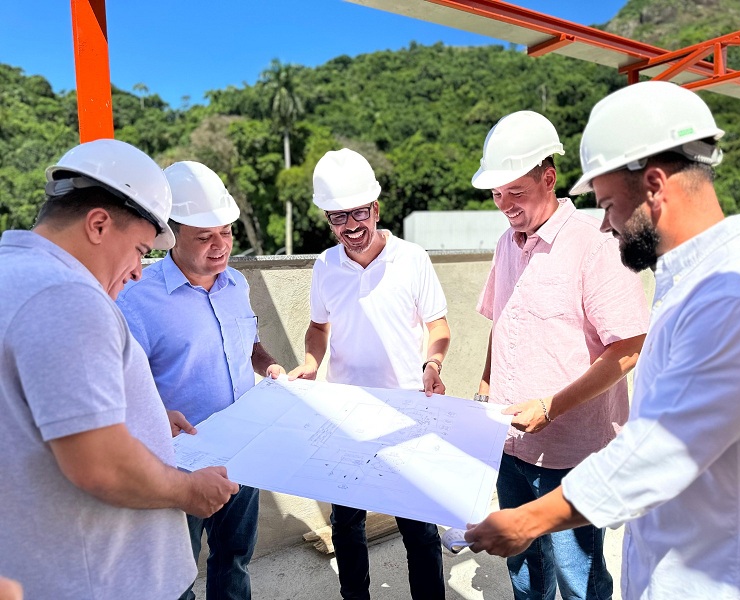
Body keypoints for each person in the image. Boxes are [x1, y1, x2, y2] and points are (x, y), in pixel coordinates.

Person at [465, 81, 740, 599]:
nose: (605, 223)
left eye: (607, 204)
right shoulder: (695, 283)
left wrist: (526, 521)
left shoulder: (736, 299)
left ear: (654, 184)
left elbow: (656, 454)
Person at [0, 139, 238, 599]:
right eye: (139, 250)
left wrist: (143, 418)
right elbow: (100, 464)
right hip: (111, 583)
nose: (138, 272)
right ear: (99, 224)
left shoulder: (16, 273)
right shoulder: (65, 295)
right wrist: (190, 491)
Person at [470, 111, 649, 600]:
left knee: (579, 579)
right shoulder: (507, 243)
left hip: (573, 456)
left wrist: (551, 406)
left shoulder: (597, 246)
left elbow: (628, 350)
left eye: (515, 192)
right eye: (496, 193)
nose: (503, 205)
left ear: (548, 178)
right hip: (510, 445)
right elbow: (500, 320)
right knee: (525, 574)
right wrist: (486, 383)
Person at [287, 148, 451, 600]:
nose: (351, 225)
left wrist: (432, 365)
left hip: (405, 412)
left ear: (376, 208)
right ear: (327, 218)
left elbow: (438, 325)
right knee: (346, 525)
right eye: (338, 217)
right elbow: (319, 327)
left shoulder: (412, 259)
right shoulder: (325, 266)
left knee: (418, 528)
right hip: (348, 413)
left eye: (359, 212)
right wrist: (311, 364)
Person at [117, 160, 284, 600]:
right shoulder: (135, 295)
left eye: (226, 232)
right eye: (205, 236)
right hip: (177, 465)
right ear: (170, 237)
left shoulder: (237, 285)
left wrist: (268, 366)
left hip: (241, 455)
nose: (220, 246)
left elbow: (249, 344)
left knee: (234, 560)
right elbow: (118, 382)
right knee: (175, 580)